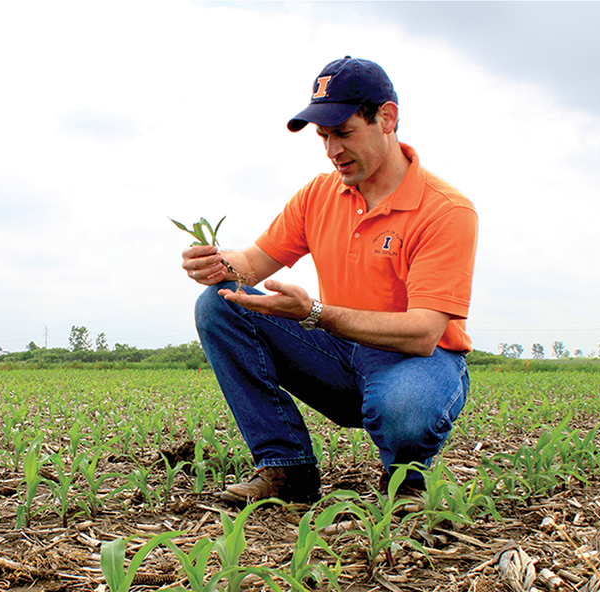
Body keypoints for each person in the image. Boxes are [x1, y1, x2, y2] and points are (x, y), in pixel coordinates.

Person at [182, 56, 476, 506]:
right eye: (323, 136)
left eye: (343, 132)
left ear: (387, 119)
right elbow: (253, 263)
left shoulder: (446, 210)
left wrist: (316, 314)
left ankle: (406, 480)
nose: (332, 149)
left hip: (416, 362)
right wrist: (219, 262)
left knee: (405, 406)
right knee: (218, 305)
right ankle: (287, 469)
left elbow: (423, 333)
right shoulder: (319, 195)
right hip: (339, 357)